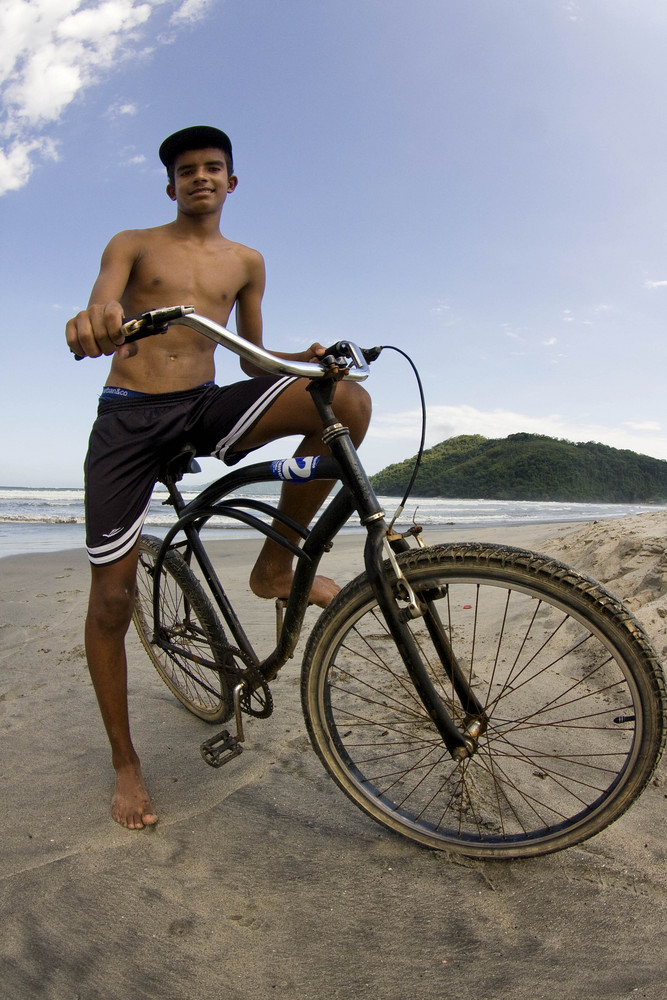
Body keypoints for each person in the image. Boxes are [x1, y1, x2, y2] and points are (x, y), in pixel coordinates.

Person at [65, 126, 371, 831]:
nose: (199, 177)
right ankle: (126, 763)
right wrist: (99, 319)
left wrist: (306, 357)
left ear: (231, 183)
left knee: (346, 401)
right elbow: (102, 303)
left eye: (213, 168)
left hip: (204, 408)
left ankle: (274, 567)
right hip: (130, 419)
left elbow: (253, 360)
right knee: (111, 603)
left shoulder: (246, 262)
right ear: (169, 185)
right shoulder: (133, 242)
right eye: (186, 170)